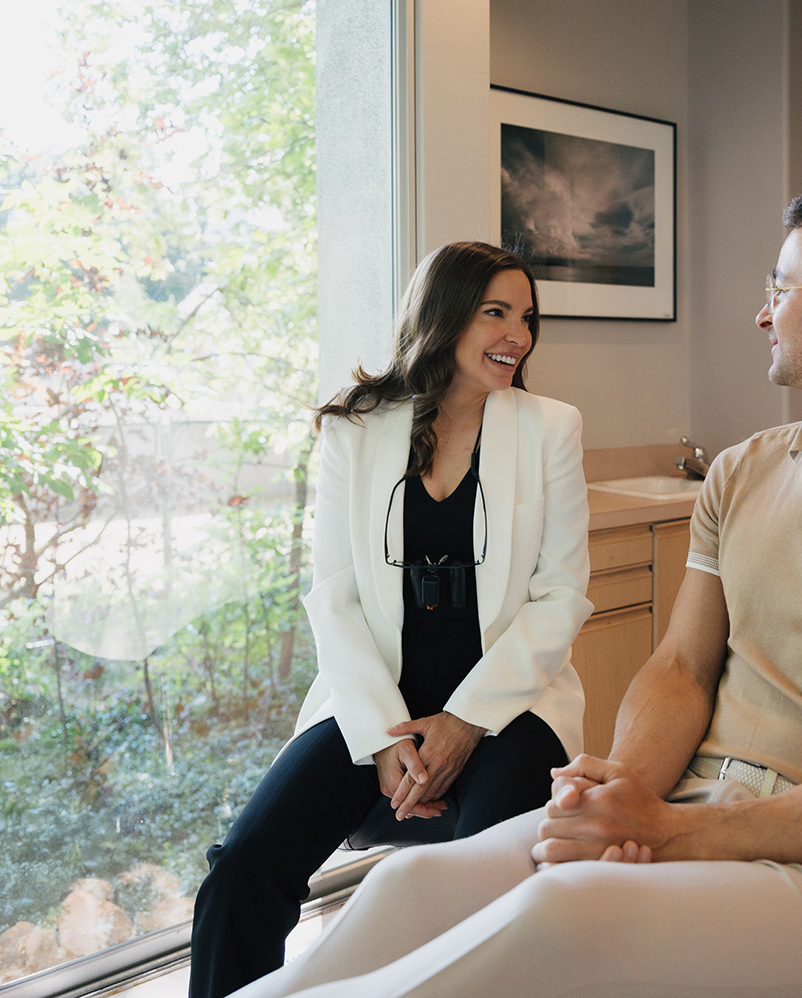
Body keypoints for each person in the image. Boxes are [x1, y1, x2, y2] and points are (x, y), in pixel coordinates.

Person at [225, 179, 802, 998]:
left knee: (558, 912)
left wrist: (674, 829)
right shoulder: (742, 473)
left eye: (780, 286)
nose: (762, 311)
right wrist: (624, 790)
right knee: (409, 888)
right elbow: (680, 671)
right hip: (686, 809)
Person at [188, 241, 594, 998]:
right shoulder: (356, 428)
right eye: (495, 313)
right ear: (442, 317)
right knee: (242, 870)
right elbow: (334, 595)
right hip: (374, 695)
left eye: (527, 318)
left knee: (482, 879)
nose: (518, 335)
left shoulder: (551, 428)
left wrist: (465, 720)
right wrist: (379, 734)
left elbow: (561, 595)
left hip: (508, 699)